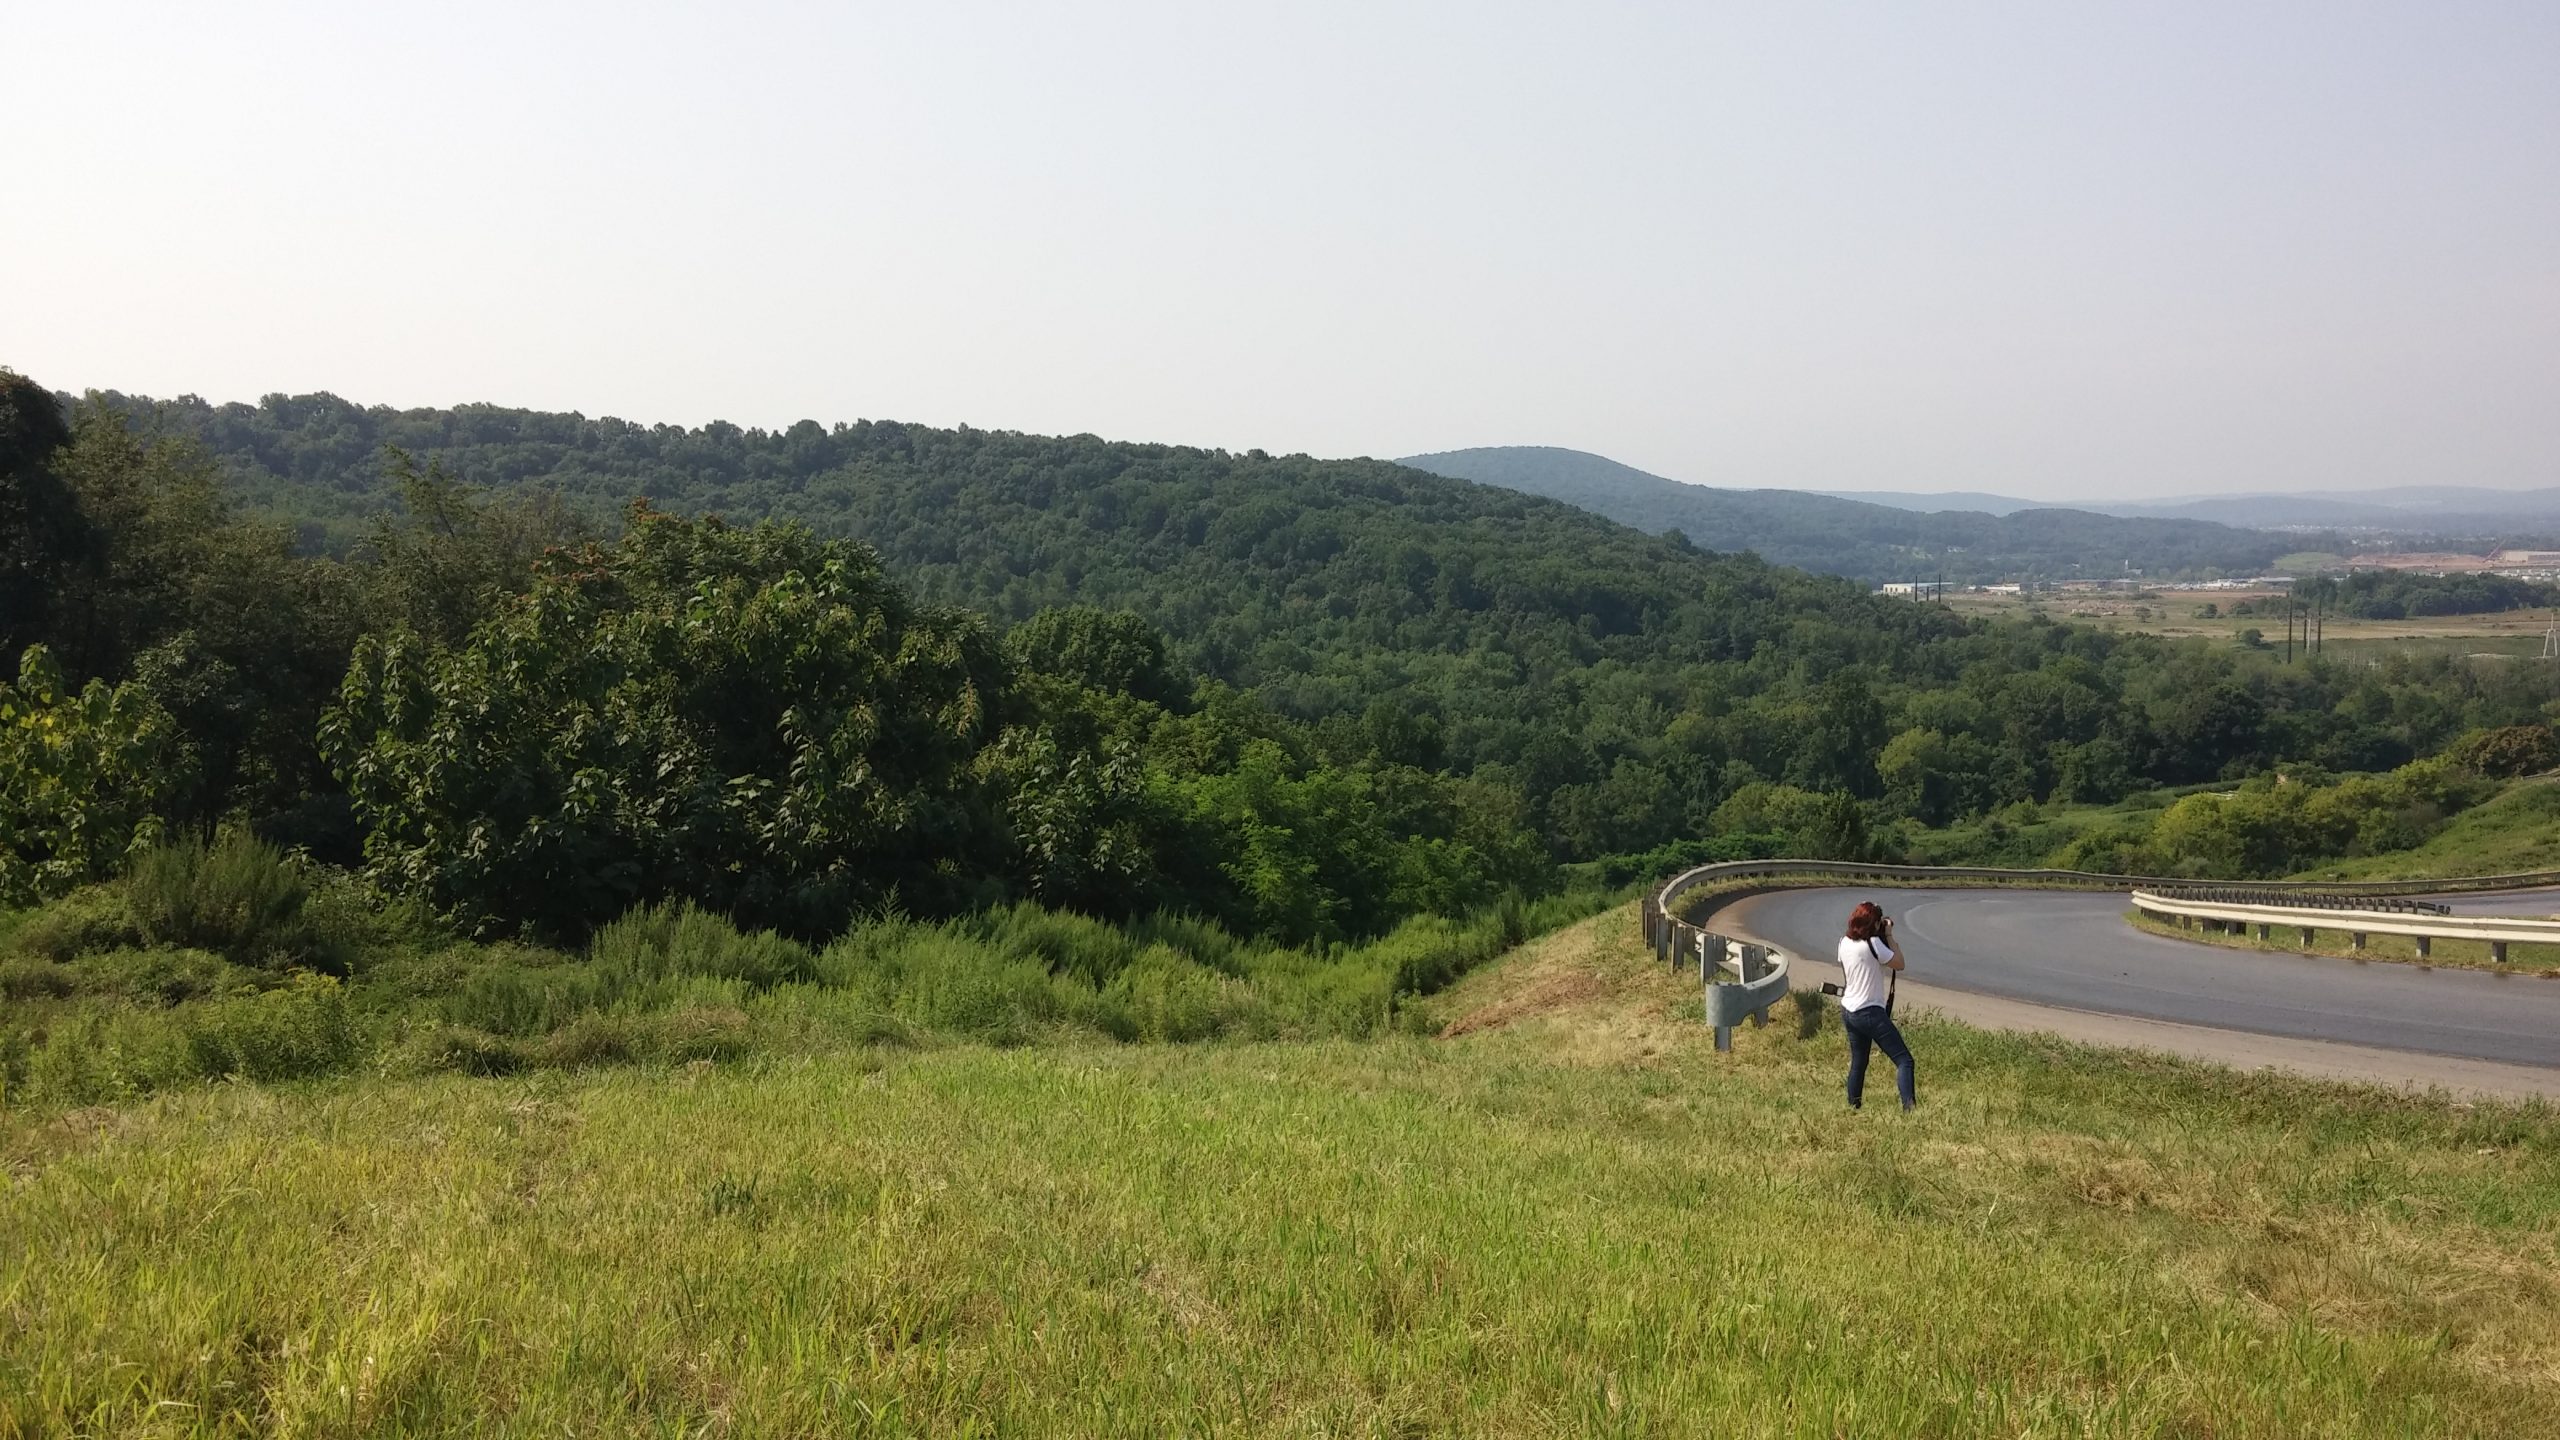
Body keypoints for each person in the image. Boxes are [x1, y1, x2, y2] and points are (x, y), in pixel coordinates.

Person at [1836, 901, 1915, 1111]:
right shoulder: (1874, 944)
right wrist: (1888, 935)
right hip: (1870, 1011)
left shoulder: (1843, 942)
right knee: (1904, 1060)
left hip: (1849, 1010)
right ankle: (1910, 1109)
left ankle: (1853, 1107)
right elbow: (1899, 963)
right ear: (1875, 923)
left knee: (1859, 1061)